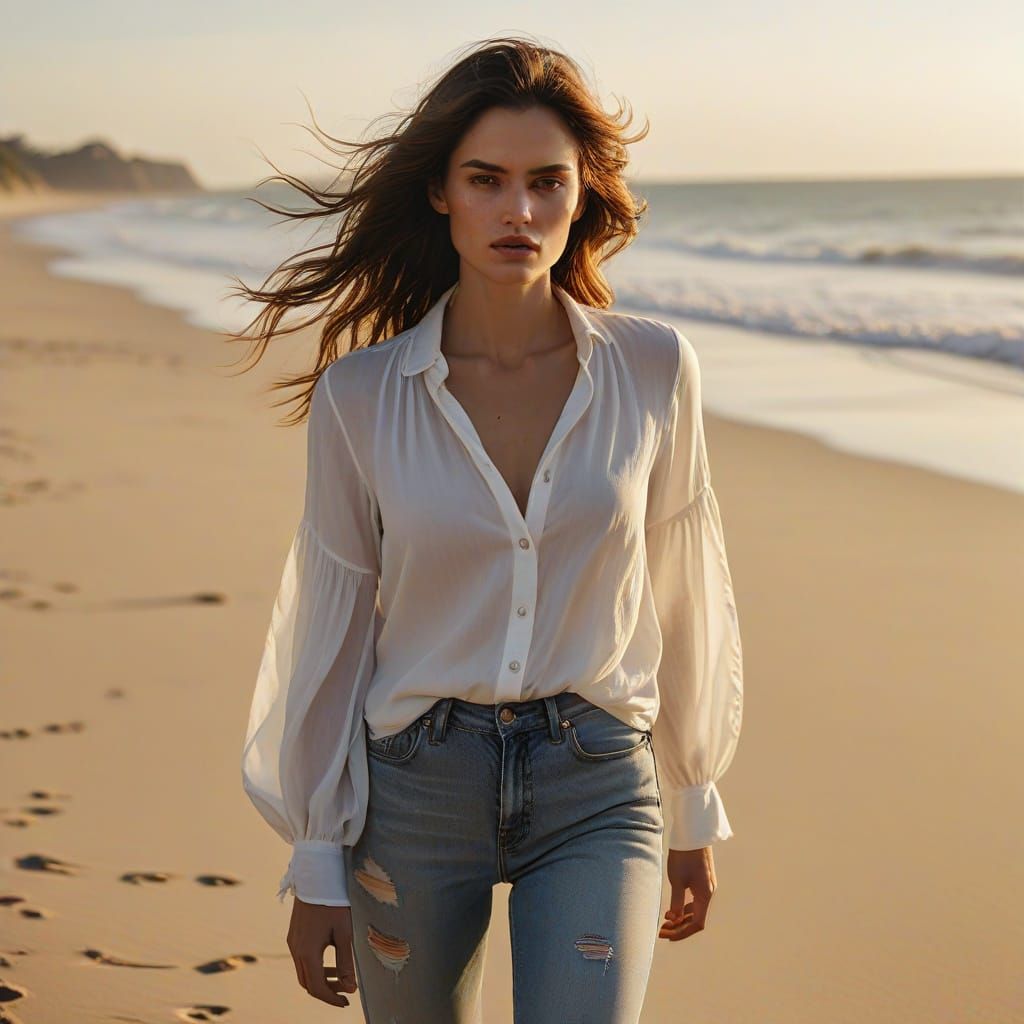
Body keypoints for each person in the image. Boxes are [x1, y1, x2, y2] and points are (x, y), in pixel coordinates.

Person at [234, 34, 744, 1023]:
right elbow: (333, 632)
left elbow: (682, 590)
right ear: (441, 192)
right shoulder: (362, 398)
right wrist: (317, 853)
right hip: (413, 791)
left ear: (583, 191)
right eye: (487, 180)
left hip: (597, 783)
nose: (518, 210)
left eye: (546, 182)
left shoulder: (653, 372)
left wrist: (693, 800)